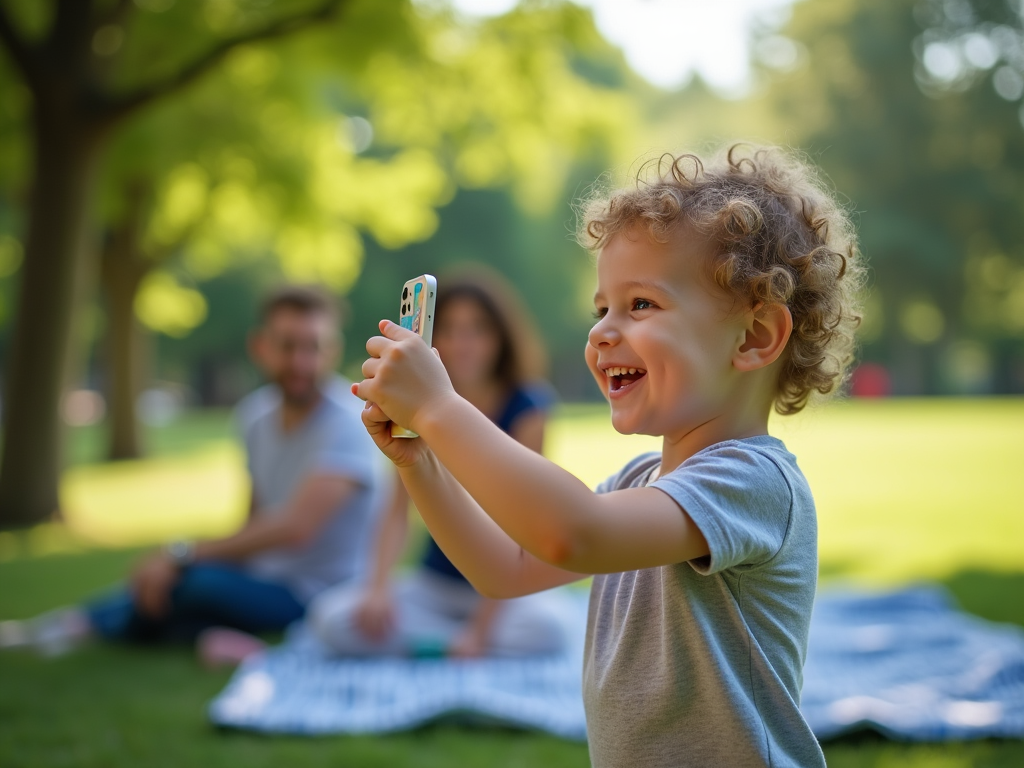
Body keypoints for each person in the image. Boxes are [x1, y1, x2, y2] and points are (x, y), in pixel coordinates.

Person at [352, 146, 864, 766]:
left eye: (640, 304)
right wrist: (420, 461)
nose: (601, 332)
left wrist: (439, 408)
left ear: (754, 336)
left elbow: (572, 534)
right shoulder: (639, 480)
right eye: (602, 309)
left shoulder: (755, 480)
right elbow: (506, 569)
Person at [0, 285, 389, 658]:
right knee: (179, 586)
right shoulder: (255, 416)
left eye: (314, 347)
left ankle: (75, 628)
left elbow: (295, 528)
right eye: (288, 346)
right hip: (264, 582)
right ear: (261, 347)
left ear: (333, 350)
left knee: (192, 583)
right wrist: (189, 562)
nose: (301, 362)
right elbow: (251, 523)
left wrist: (182, 555)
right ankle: (92, 627)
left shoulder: (348, 422)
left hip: (322, 598)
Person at [308, 269, 568, 658]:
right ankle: (449, 645)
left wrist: (481, 629)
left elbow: (523, 525)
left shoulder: (527, 408)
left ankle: (453, 644)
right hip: (435, 585)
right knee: (334, 619)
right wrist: (378, 589)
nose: (463, 343)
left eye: (477, 329)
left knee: (549, 630)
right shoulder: (418, 403)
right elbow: (396, 512)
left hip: (505, 585)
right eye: (449, 328)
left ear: (500, 338)